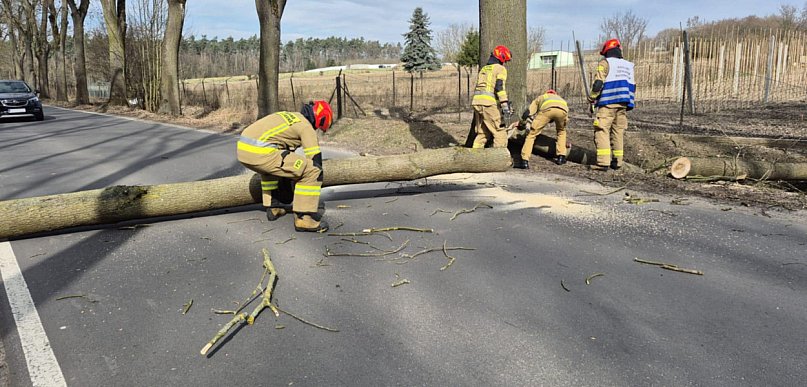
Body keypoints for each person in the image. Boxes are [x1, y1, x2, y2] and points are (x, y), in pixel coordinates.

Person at [236, 100, 333, 232]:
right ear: (321, 119)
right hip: (261, 153)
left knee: (274, 166)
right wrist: (310, 181)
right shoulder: (306, 127)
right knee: (313, 171)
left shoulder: (291, 116)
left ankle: (273, 206)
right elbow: (315, 160)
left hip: (243, 150)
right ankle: (304, 217)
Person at [588, 38, 635, 170]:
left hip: (608, 102)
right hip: (623, 102)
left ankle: (603, 162)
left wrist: (592, 97)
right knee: (617, 132)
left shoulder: (605, 63)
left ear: (606, 52)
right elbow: (633, 86)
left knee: (601, 130)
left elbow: (598, 83)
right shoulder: (628, 65)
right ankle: (617, 161)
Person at [513, 89, 569, 169]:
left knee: (531, 134)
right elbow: (565, 117)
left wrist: (521, 124)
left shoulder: (542, 97)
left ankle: (524, 161)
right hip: (563, 112)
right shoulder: (561, 99)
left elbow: (528, 113)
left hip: (547, 110)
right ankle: (561, 157)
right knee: (561, 132)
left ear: (547, 93)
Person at [470, 45, 512, 149]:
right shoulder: (500, 69)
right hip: (488, 104)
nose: (505, 63)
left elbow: (487, 87)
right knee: (500, 131)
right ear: (502, 58)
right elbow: (499, 87)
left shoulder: (484, 68)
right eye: (505, 61)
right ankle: (500, 156)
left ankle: (475, 156)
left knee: (482, 133)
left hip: (476, 102)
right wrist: (504, 104)